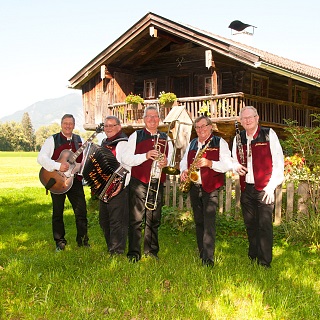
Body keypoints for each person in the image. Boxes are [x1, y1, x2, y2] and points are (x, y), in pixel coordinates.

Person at [232, 106, 284, 268]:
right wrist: (235, 167)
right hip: (246, 187)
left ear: (257, 118)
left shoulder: (269, 134)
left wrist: (271, 187)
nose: (247, 120)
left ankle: (264, 261)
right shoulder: (238, 138)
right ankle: (253, 255)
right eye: (244, 118)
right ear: (241, 121)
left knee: (264, 225)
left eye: (250, 117)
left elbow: (279, 162)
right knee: (250, 224)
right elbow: (234, 159)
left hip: (265, 188)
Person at [180, 116, 233, 267]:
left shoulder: (219, 142)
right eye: (197, 127)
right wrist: (183, 170)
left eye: (204, 126)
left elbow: (227, 164)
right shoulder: (192, 143)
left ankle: (208, 260)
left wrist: (210, 163)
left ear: (210, 127)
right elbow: (184, 161)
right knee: (199, 221)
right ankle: (202, 252)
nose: (201, 130)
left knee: (209, 223)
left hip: (211, 186)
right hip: (195, 186)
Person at [122, 106, 173, 262]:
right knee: (136, 219)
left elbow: (170, 159)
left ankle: (151, 251)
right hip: (139, 182)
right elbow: (126, 158)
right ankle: (134, 253)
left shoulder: (167, 138)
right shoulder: (136, 136)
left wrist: (165, 162)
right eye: (149, 116)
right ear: (144, 119)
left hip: (157, 182)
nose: (152, 119)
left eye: (155, 116)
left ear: (159, 119)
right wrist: (145, 155)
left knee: (154, 218)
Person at [37, 114, 89, 251]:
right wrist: (57, 165)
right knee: (58, 212)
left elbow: (84, 161)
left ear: (74, 125)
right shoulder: (52, 139)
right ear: (61, 124)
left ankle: (83, 240)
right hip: (56, 180)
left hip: (74, 180)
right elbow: (41, 158)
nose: (68, 126)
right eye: (65, 123)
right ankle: (60, 242)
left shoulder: (80, 139)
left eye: (70, 123)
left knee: (81, 211)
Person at [99, 116, 130, 256]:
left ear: (119, 127)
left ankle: (117, 251)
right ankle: (111, 246)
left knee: (117, 221)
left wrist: (121, 185)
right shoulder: (103, 143)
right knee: (104, 219)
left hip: (118, 188)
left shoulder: (123, 143)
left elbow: (127, 166)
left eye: (112, 125)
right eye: (106, 126)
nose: (109, 128)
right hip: (103, 188)